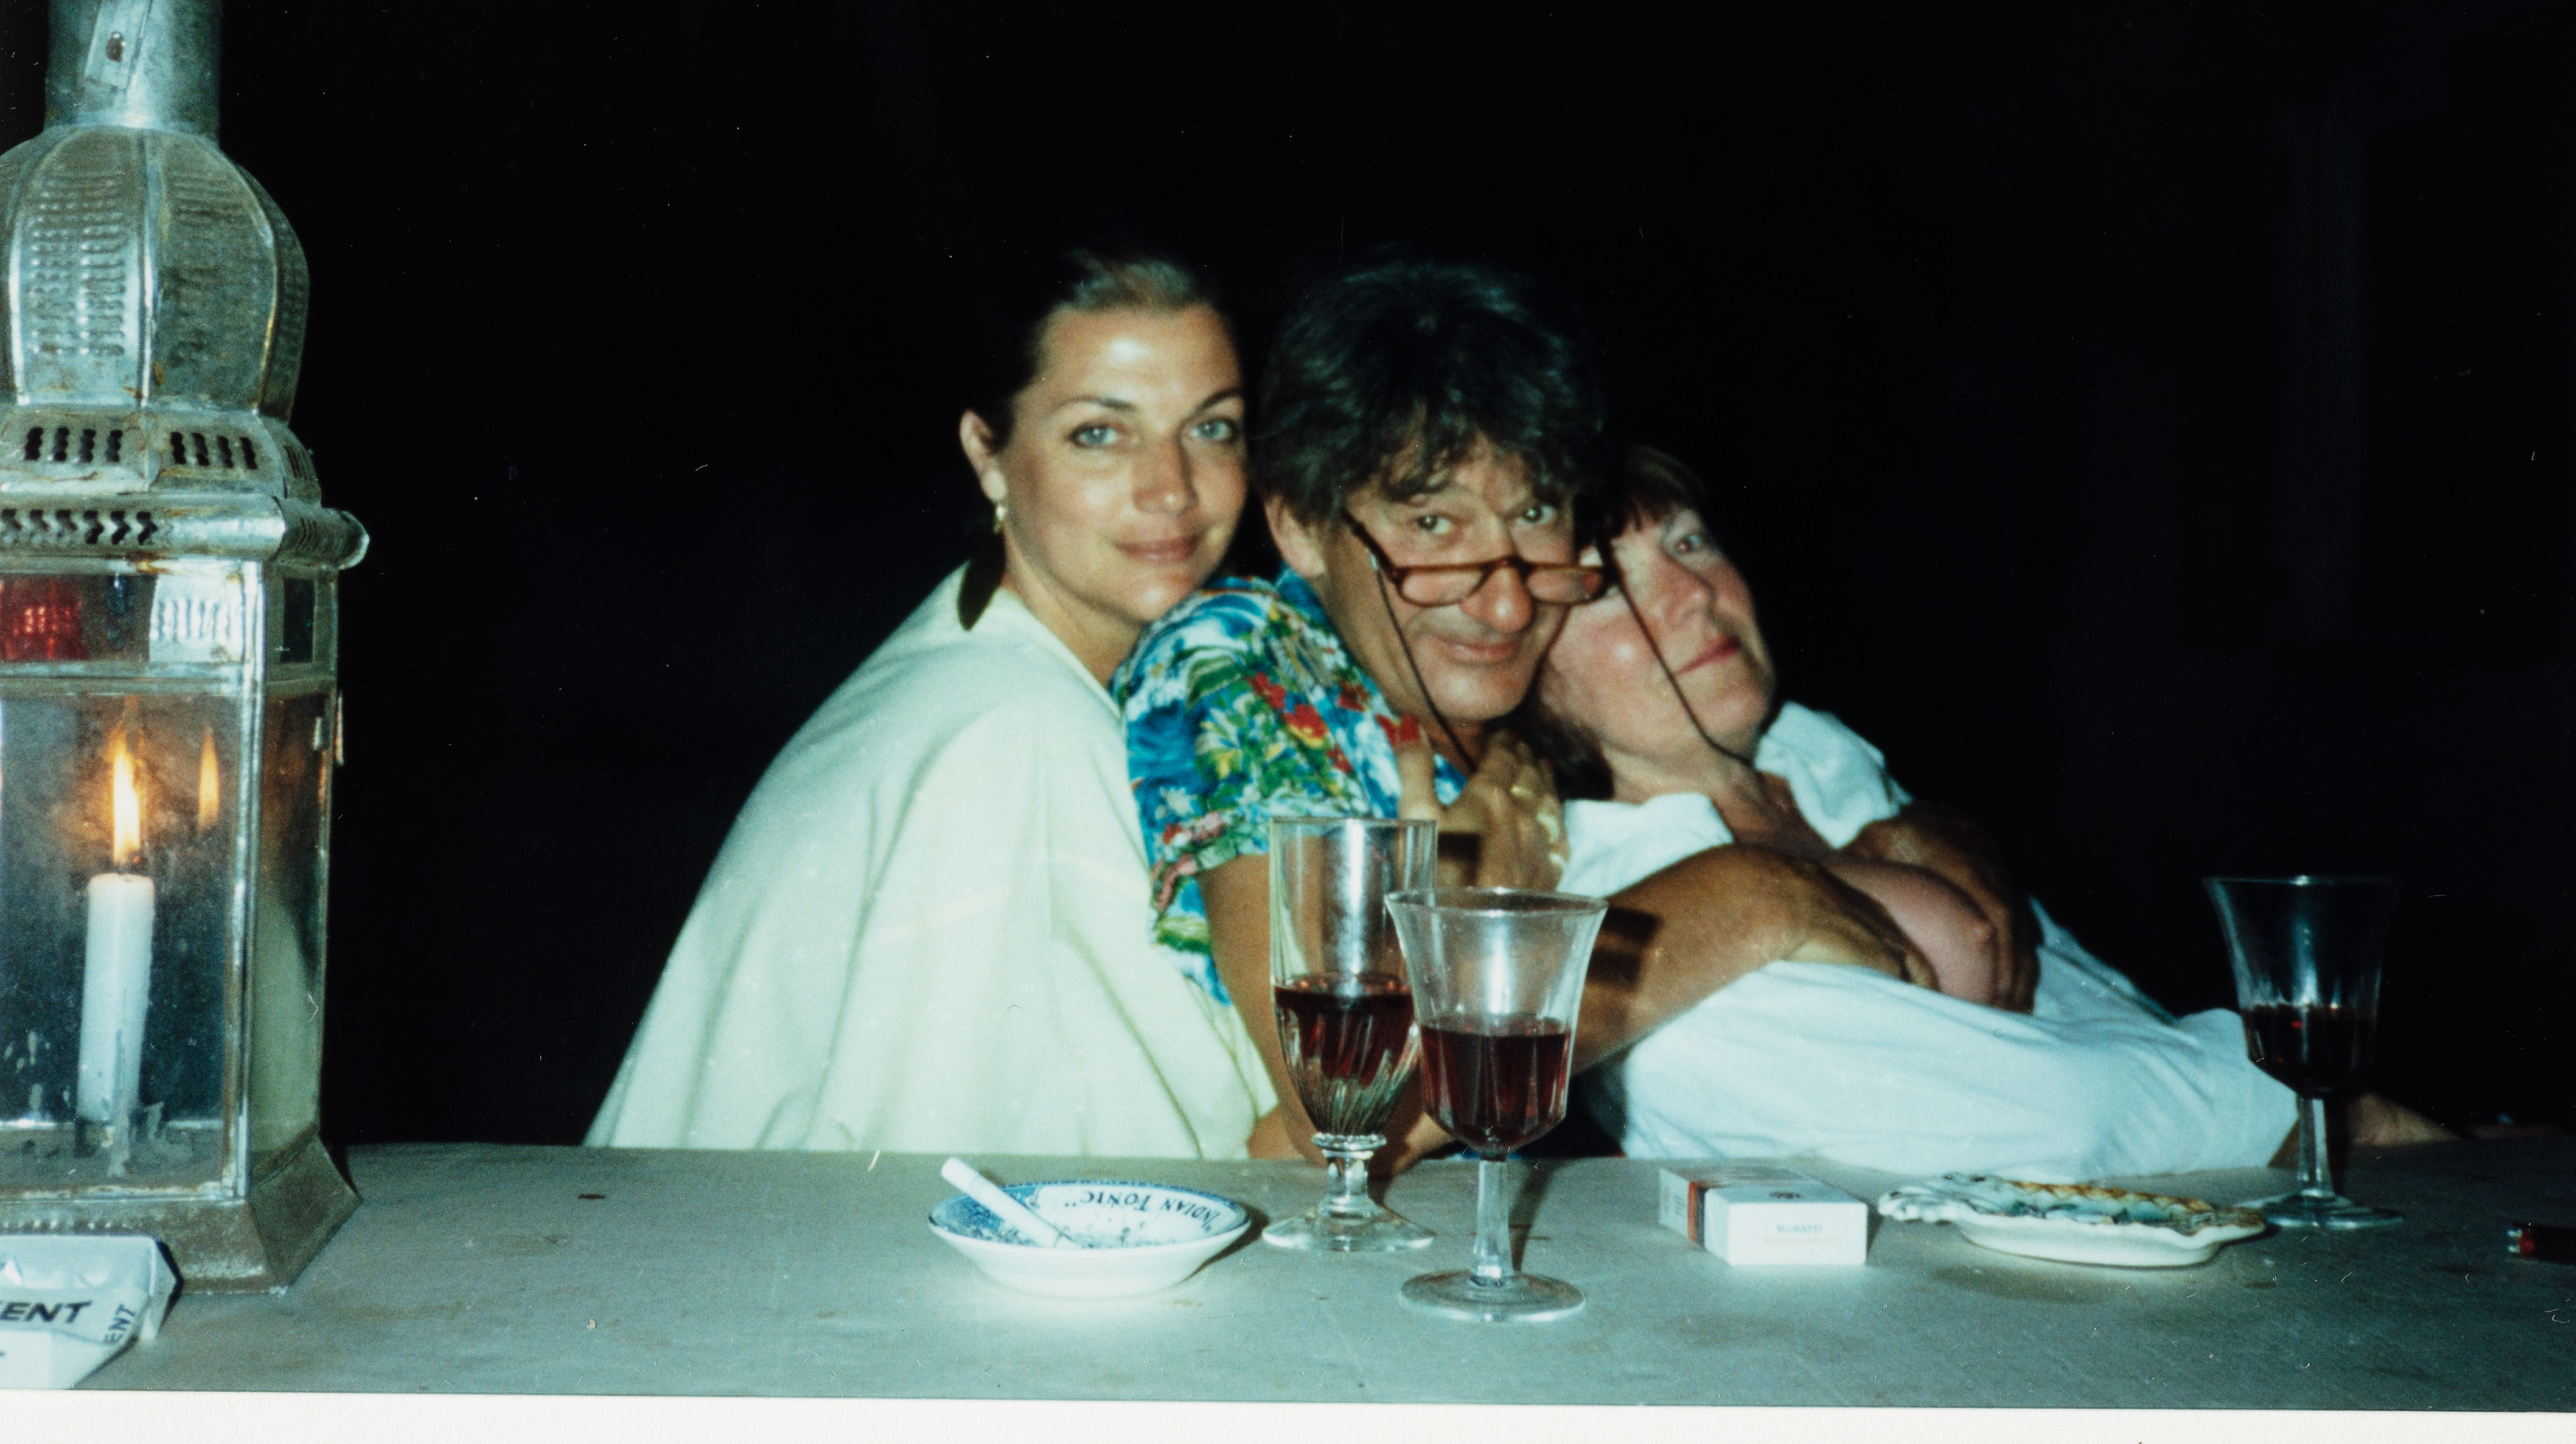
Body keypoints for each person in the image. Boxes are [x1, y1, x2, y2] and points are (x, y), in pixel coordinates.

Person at [1116, 257, 1972, 1166]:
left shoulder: (1548, 638)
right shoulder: (1244, 654)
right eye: (1433, 527)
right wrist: (1751, 896)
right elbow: (1336, 1104)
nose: (1508, 606)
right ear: (1298, 526)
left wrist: (1942, 834)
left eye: (1535, 511)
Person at [1524, 444, 2447, 1178]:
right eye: (1608, 588)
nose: (1693, 594)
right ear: (1536, 679)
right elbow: (2049, 1128)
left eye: (1690, 541)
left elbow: (2096, 1003)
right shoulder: (1629, 906)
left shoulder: (1818, 755)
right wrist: (2319, 1096)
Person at [587, 249, 1275, 1157]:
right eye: (1100, 434)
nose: (1173, 488)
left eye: (1212, 430)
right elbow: (1127, 1196)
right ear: (988, 455)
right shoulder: (1015, 732)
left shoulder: (989, 658)